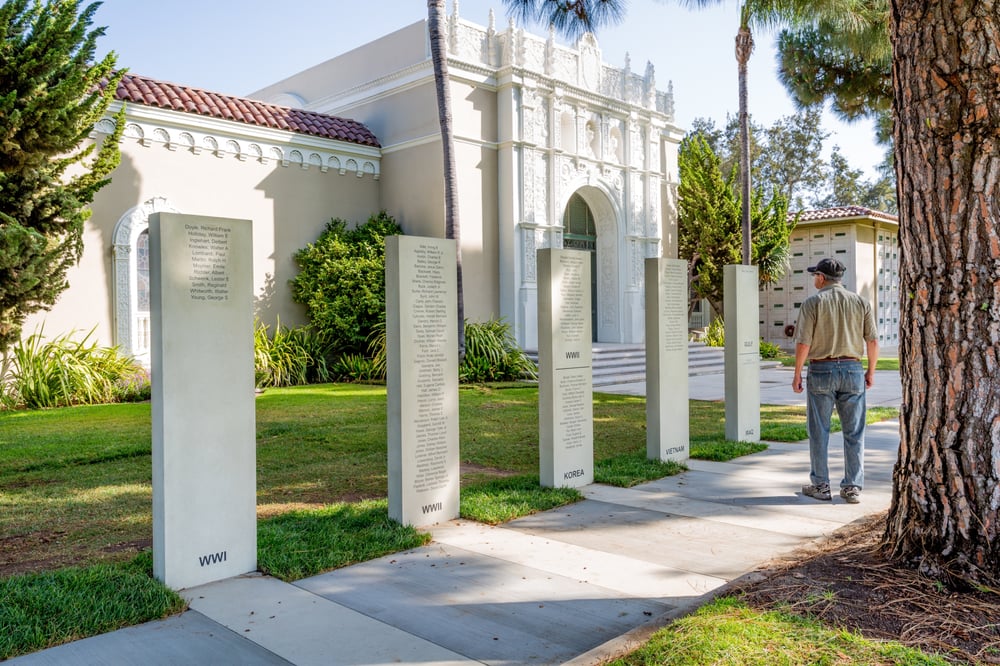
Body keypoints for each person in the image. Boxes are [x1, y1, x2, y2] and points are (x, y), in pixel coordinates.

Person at [792, 257, 879, 504]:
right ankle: (852, 487)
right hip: (853, 370)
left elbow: (804, 343)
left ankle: (821, 485)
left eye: (815, 276)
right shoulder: (861, 302)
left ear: (821, 278)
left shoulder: (812, 303)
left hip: (821, 370)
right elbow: (872, 341)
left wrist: (797, 374)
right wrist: (870, 372)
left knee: (819, 430)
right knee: (854, 431)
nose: (814, 280)